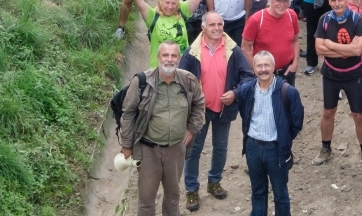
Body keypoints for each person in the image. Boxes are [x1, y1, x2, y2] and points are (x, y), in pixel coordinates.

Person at [178, 13, 257, 211]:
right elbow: (180, 81)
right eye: (212, 24)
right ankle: (191, 190)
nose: (216, 27)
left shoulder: (233, 50)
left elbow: (247, 75)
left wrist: (235, 93)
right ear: (203, 27)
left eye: (220, 24)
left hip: (224, 109)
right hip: (199, 112)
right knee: (194, 151)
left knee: (221, 148)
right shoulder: (191, 52)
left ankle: (214, 181)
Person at [119, 41, 205, 216]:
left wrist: (191, 129)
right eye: (165, 55)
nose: (169, 59)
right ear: (158, 57)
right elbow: (128, 114)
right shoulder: (142, 81)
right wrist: (127, 145)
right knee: (146, 200)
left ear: (179, 58)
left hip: (176, 150)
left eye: (174, 55)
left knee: (173, 196)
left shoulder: (188, 80)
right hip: (149, 150)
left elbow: (199, 104)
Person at [220, 51, 305, 216]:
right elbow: (245, 113)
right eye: (259, 65)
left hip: (276, 150)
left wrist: (284, 139)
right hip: (253, 148)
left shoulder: (288, 91)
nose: (263, 69)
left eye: (267, 65)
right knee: (257, 193)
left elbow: (297, 122)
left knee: (280, 195)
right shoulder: (247, 90)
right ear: (254, 68)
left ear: (274, 67)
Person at [312, 0, 362, 170]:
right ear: (329, 1)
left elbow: (357, 50)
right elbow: (318, 49)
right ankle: (325, 148)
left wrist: (330, 45)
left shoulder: (357, 20)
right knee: (328, 112)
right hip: (330, 74)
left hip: (353, 75)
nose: (337, 3)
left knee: (359, 115)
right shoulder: (324, 19)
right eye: (333, 0)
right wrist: (345, 51)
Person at [123, 0, 205, 66]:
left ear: (178, 3)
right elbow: (140, 2)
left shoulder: (182, 11)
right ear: (160, 2)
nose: (170, 7)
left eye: (173, 3)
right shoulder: (153, 16)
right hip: (159, 70)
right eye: (167, 3)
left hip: (182, 69)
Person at [242, 0, 301, 86]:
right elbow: (245, 48)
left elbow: (295, 41)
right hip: (264, 74)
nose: (282, 4)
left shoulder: (292, 16)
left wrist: (294, 64)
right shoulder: (256, 19)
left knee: (287, 100)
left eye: (285, 1)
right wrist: (257, 70)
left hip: (286, 72)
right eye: (278, 0)